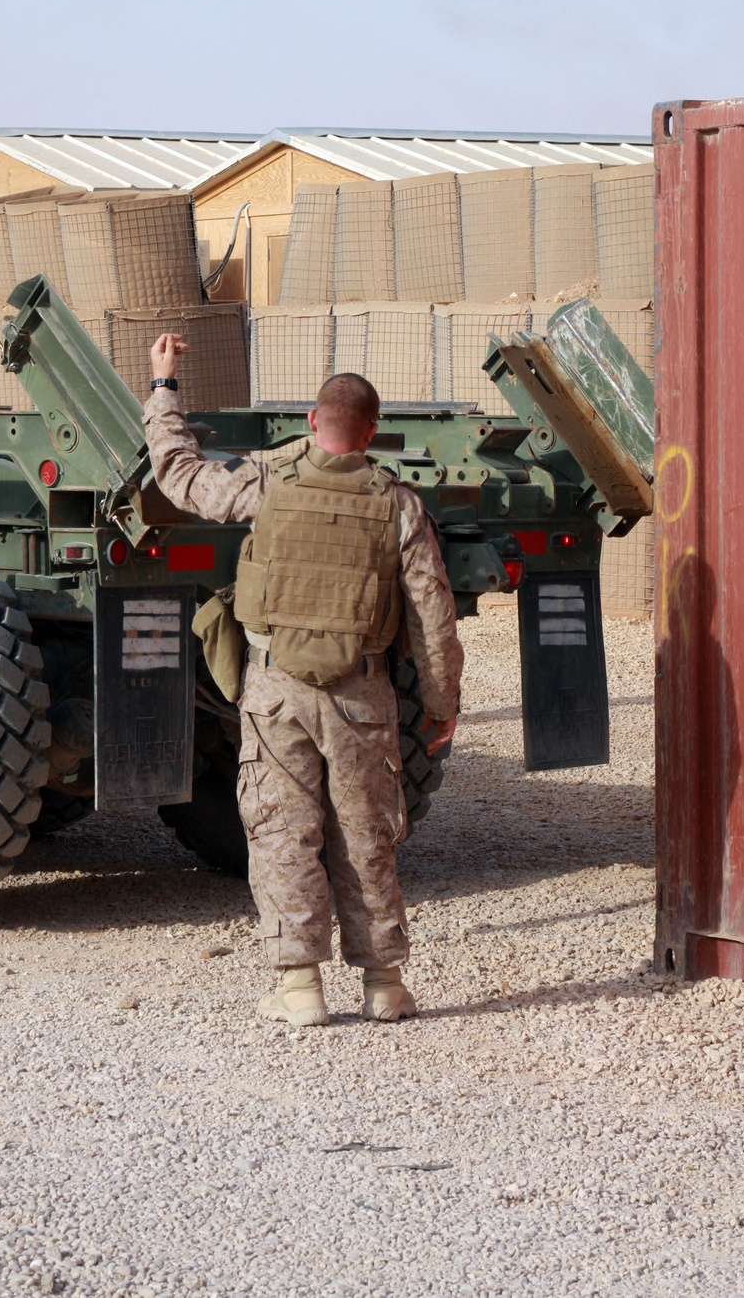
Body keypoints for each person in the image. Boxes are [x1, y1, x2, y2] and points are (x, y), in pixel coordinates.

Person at [143, 333, 463, 1027]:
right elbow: (432, 614)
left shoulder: (268, 483)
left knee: (283, 831)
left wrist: (165, 387)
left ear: (312, 424)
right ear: (373, 432)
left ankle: (298, 989)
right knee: (366, 832)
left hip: (276, 688)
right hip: (362, 693)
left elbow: (178, 473)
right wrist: (441, 705)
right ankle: (384, 985)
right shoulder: (399, 505)